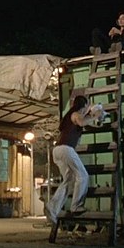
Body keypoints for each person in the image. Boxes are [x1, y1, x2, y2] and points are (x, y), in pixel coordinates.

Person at [44, 94, 104, 225]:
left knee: (69, 181)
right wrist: (95, 115)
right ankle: (76, 206)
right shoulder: (76, 114)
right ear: (83, 106)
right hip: (66, 149)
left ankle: (52, 208)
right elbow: (82, 122)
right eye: (87, 106)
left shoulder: (72, 116)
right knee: (83, 176)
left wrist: (98, 121)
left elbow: (85, 124)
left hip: (58, 151)